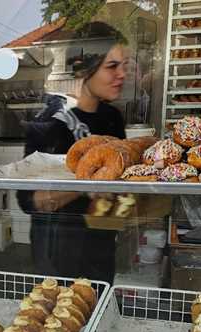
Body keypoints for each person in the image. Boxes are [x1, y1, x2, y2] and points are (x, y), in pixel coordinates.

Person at [17, 43, 130, 283]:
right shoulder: (51, 124)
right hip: (60, 250)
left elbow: (116, 181)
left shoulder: (113, 118)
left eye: (124, 65)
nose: (122, 74)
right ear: (82, 70)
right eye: (112, 66)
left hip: (101, 243)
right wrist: (88, 182)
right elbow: (29, 200)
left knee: (99, 305)